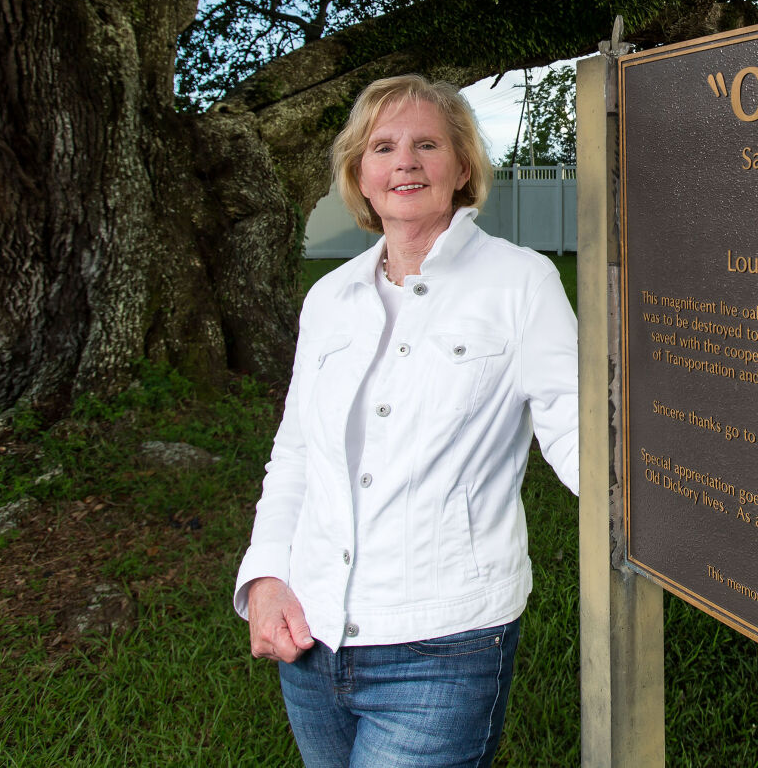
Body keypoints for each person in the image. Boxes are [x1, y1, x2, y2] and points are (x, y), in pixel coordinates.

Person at [234, 74, 578, 768]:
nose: (405, 162)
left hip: (442, 644)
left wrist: (663, 511)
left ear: (461, 166)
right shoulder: (329, 297)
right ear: (359, 173)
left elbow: (573, 428)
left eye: (427, 143)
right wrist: (267, 576)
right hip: (313, 635)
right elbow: (296, 450)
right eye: (383, 146)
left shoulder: (521, 282)